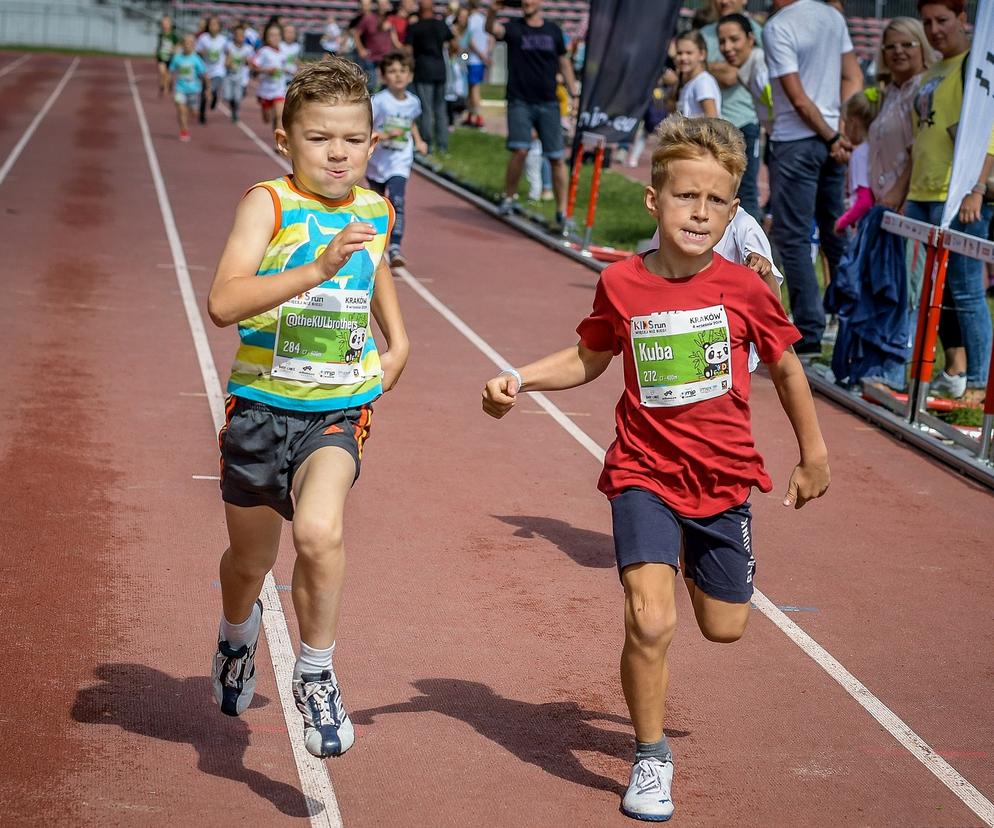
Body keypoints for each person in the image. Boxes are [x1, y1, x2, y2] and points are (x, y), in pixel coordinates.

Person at [482, 114, 829, 823]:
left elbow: (788, 370)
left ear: (732, 211)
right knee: (648, 620)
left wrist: (813, 453)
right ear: (654, 199)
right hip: (642, 472)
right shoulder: (622, 284)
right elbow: (590, 356)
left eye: (714, 202)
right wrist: (520, 379)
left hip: (724, 482)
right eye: (684, 197)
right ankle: (649, 755)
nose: (698, 213)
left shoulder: (745, 289)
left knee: (725, 627)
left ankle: (705, 570)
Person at [206, 57, 410, 759]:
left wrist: (400, 338)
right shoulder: (268, 204)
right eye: (319, 138)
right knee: (249, 562)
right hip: (262, 406)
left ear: (372, 143)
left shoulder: (376, 207)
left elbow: (373, 263)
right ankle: (237, 638)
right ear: (284, 139)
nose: (337, 153)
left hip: (337, 408)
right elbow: (223, 303)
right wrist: (315, 270)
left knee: (320, 534)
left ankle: (316, 673)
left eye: (352, 140)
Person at [763, 0, 863, 355]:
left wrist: (832, 134)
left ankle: (808, 328)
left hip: (797, 140)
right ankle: (853, 319)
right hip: (829, 139)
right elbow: (853, 76)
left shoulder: (779, 26)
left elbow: (799, 99)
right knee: (836, 233)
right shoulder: (832, 16)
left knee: (793, 236)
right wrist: (839, 126)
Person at [905, 0, 994, 398]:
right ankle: (955, 372)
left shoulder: (974, 67)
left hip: (957, 195)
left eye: (943, 20)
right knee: (934, 292)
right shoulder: (935, 69)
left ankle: (978, 382)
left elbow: (987, 131)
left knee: (965, 288)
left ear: (963, 19)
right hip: (923, 192)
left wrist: (977, 188)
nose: (934, 29)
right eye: (927, 22)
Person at [487, 0, 579, 225]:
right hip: (520, 101)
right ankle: (508, 198)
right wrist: (493, 10)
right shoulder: (514, 27)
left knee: (557, 157)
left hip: (549, 102)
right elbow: (491, 28)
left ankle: (562, 212)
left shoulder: (553, 30)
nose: (527, 2)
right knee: (520, 149)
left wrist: (574, 92)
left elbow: (563, 62)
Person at [699, 0, 763, 219]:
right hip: (709, 127)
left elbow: (732, 75)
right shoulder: (703, 34)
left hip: (744, 124)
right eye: (722, 41)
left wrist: (704, 65)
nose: (723, 1)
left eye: (734, 40)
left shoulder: (757, 31)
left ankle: (752, 251)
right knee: (707, 191)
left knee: (745, 193)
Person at [367, 51, 428, 266]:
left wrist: (419, 141)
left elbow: (411, 122)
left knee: (398, 201)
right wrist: (382, 136)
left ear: (410, 76)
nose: (398, 76)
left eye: (403, 71)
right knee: (376, 204)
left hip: (400, 159)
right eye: (392, 72)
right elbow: (366, 127)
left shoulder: (413, 102)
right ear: (384, 77)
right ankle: (372, 245)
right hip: (377, 161)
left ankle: (395, 247)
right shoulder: (379, 102)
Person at [867, 17, 934, 210]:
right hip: (883, 202)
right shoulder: (890, 92)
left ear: (923, 46)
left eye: (907, 44)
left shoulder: (925, 89)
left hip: (908, 204)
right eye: (890, 46)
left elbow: (920, 149)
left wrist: (900, 195)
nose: (898, 51)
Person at [405, 0, 453, 154]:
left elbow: (407, 51)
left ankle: (427, 143)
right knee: (440, 109)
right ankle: (443, 145)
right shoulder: (441, 24)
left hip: (423, 70)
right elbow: (455, 44)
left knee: (426, 109)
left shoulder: (415, 27)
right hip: (440, 69)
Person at [834, 91, 880, 234]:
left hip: (867, 226)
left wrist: (843, 222)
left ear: (853, 123)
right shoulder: (875, 148)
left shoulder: (860, 154)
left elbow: (865, 200)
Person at [355, 0, 403, 91]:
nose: (383, 6)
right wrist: (361, 49)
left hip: (386, 57)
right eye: (381, 4)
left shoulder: (391, 19)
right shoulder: (369, 18)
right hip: (371, 57)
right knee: (371, 85)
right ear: (377, 5)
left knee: (387, 86)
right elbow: (356, 33)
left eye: (385, 4)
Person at [168, 33, 206, 142]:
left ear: (194, 45)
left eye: (190, 43)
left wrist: (207, 89)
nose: (187, 45)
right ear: (182, 45)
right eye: (185, 43)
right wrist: (168, 85)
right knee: (181, 109)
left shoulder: (196, 59)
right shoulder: (177, 58)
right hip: (180, 89)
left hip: (194, 90)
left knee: (194, 113)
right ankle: (184, 131)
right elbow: (171, 71)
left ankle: (189, 112)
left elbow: (203, 74)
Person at [675, 31, 721, 118]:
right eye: (679, 53)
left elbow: (713, 119)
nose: (683, 57)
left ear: (702, 54)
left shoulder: (703, 82)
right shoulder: (690, 83)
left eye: (689, 53)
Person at [253, 22, 288, 133]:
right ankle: (266, 111)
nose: (275, 38)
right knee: (267, 119)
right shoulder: (264, 52)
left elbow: (288, 65)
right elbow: (254, 67)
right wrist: (266, 70)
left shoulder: (284, 51)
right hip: (265, 90)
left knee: (279, 116)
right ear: (267, 38)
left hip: (279, 89)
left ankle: (278, 146)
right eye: (271, 35)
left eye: (277, 35)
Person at [463, 0, 492, 128]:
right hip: (479, 59)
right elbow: (491, 38)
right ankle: (471, 115)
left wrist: (480, 54)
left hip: (472, 59)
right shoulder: (484, 19)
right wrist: (486, 54)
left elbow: (469, 40)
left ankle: (479, 117)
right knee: (471, 89)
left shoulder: (470, 20)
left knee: (474, 89)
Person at [196, 15, 227, 125]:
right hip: (205, 70)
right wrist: (201, 53)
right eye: (211, 24)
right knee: (205, 92)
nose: (213, 26)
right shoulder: (203, 38)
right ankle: (202, 114)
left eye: (216, 24)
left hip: (218, 70)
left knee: (211, 89)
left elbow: (228, 52)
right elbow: (197, 52)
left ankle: (214, 97)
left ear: (219, 27)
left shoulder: (223, 40)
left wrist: (229, 61)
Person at [223, 24, 254, 123]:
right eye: (238, 35)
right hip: (229, 76)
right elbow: (226, 62)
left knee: (237, 98)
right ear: (234, 36)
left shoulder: (248, 49)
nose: (240, 37)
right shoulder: (229, 46)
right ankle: (233, 108)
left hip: (240, 76)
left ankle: (235, 112)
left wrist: (247, 61)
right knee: (228, 96)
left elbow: (250, 63)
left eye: (242, 35)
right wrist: (229, 63)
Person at [155, 15, 179, 98]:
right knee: (162, 72)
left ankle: (166, 85)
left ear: (170, 24)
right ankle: (164, 88)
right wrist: (156, 52)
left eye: (167, 23)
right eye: (163, 23)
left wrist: (174, 50)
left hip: (170, 57)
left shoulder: (173, 36)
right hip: (162, 57)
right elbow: (159, 45)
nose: (165, 25)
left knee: (168, 74)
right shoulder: (161, 35)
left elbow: (177, 45)